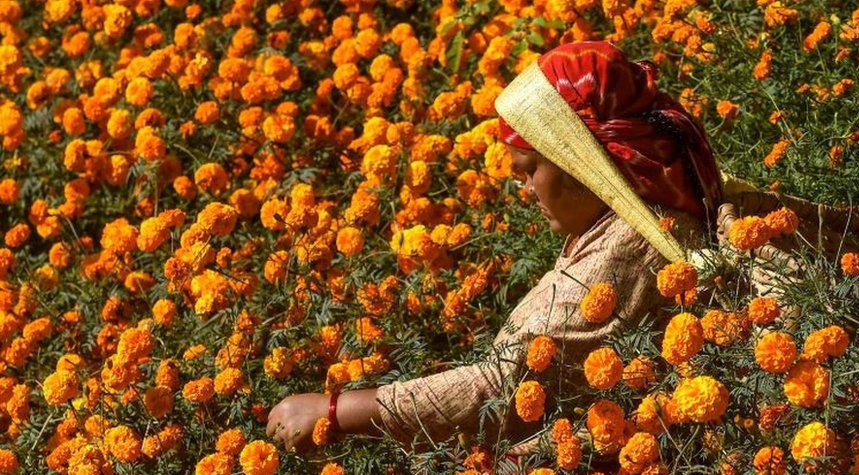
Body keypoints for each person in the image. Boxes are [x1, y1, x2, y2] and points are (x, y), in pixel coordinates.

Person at [266, 40, 726, 452]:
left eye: (530, 170)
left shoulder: (624, 254)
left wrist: (333, 412)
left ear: (582, 162)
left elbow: (502, 387)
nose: (526, 191)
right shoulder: (658, 203)